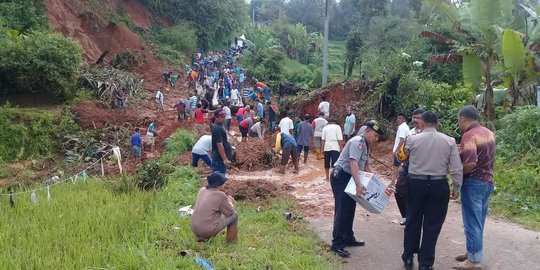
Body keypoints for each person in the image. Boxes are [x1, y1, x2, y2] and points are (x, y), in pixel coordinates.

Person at [402, 111, 463, 270]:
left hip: (415, 184)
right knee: (432, 225)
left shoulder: (412, 139)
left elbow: (401, 157)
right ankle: (425, 264)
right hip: (438, 185)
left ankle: (408, 256)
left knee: (412, 220)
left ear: (421, 122)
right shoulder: (449, 141)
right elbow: (456, 168)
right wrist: (456, 187)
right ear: (437, 123)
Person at [330, 122, 384, 257]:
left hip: (349, 177)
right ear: (367, 131)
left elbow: (365, 166)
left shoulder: (365, 144)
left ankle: (348, 237)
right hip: (341, 176)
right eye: (375, 135)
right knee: (342, 210)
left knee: (350, 208)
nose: (376, 139)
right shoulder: (357, 142)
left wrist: (377, 184)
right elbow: (353, 162)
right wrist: (359, 184)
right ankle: (337, 244)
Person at [453, 105, 496, 270]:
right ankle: (472, 251)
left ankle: (473, 261)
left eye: (459, 120)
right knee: (479, 221)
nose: (459, 123)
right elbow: (485, 155)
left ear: (463, 118)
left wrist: (458, 175)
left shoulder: (469, 135)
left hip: (473, 183)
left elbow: (470, 163)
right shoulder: (487, 132)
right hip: (487, 182)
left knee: (472, 222)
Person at [395, 109, 425, 226]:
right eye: (414, 117)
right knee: (400, 189)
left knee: (417, 194)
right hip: (408, 166)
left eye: (418, 118)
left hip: (421, 168)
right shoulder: (411, 132)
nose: (415, 120)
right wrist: (402, 164)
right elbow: (405, 151)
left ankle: (417, 218)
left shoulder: (427, 133)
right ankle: (407, 215)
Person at [191, 172, 238, 243]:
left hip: (194, 228)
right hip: (206, 231)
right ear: (219, 184)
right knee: (234, 215)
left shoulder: (202, 190)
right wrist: (230, 201)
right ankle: (232, 241)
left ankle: (202, 238)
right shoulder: (220, 195)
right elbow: (230, 212)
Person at [211, 109, 233, 175]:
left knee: (220, 177)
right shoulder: (217, 128)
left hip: (220, 158)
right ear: (216, 118)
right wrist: (225, 159)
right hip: (219, 158)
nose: (224, 118)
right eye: (222, 117)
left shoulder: (220, 125)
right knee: (218, 178)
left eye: (224, 116)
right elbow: (219, 144)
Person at [321, 117, 343, 181]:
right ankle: (333, 177)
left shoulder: (325, 128)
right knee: (335, 163)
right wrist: (341, 148)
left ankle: (327, 177)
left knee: (326, 162)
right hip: (335, 147)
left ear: (329, 122)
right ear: (335, 122)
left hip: (327, 147)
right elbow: (339, 139)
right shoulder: (337, 127)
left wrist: (322, 149)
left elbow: (323, 139)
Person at [392, 113, 410, 187]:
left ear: (404, 119)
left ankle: (393, 183)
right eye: (397, 118)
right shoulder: (406, 127)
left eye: (400, 118)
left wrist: (396, 150)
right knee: (399, 167)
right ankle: (396, 182)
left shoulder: (402, 127)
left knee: (396, 167)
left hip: (400, 151)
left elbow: (402, 139)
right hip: (404, 151)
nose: (398, 120)